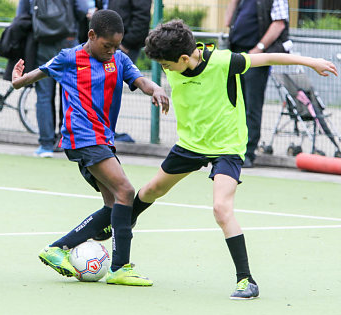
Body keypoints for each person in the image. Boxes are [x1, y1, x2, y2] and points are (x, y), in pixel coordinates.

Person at [93, 19, 337, 297]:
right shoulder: (174, 58)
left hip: (226, 147)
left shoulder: (224, 62)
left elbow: (269, 56)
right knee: (151, 189)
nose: (165, 70)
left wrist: (312, 62)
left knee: (221, 208)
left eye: (167, 65)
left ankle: (246, 280)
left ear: (184, 58)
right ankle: (123, 222)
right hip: (190, 144)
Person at [12, 9, 169, 286]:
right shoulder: (69, 57)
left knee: (113, 207)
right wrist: (17, 81)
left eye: (115, 46)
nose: (111, 51)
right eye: (106, 45)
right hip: (83, 136)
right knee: (126, 192)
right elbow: (40, 73)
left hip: (103, 139)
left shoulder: (119, 60)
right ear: (91, 35)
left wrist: (155, 88)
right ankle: (120, 268)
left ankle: (57, 249)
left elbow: (141, 80)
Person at [225, 0, 292, 168]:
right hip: (235, 53)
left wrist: (259, 48)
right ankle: (231, 150)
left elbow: (279, 24)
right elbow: (227, 22)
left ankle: (247, 153)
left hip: (255, 56)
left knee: (251, 107)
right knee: (232, 104)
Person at [28, 0, 88, 158]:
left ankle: (46, 144)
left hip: (43, 40)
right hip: (68, 39)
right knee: (71, 92)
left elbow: (25, 12)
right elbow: (82, 9)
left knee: (44, 95)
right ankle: (67, 141)